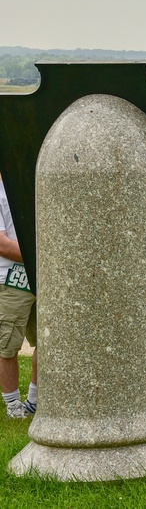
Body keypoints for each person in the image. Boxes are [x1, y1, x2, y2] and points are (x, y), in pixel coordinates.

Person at [1, 176, 37, 419]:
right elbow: (1, 244)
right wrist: (42, 254)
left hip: (41, 275)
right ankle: (14, 408)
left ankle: (34, 401)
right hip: (11, 279)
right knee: (8, 346)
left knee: (51, 339)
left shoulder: (26, 178)